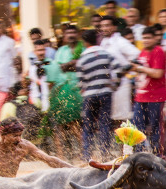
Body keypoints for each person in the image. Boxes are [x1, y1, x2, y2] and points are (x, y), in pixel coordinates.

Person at [0, 117, 74, 178]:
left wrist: (75, 170)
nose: (19, 139)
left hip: (12, 185)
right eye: (15, 136)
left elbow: (49, 159)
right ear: (3, 135)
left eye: (20, 135)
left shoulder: (24, 145)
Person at [76, 29, 121, 161]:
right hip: (106, 93)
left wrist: (85, 88)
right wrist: (115, 84)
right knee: (105, 125)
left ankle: (86, 155)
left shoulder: (82, 59)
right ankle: (105, 154)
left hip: (89, 95)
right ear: (97, 40)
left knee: (88, 126)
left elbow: (81, 81)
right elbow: (118, 68)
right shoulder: (106, 54)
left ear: (84, 42)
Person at [47, 24, 84, 160]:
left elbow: (80, 66)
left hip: (77, 91)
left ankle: (84, 154)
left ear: (78, 34)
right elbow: (59, 69)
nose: (70, 35)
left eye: (73, 33)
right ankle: (61, 156)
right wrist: (72, 64)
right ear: (64, 35)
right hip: (62, 90)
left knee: (74, 124)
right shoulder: (61, 50)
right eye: (68, 33)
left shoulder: (83, 48)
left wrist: (70, 64)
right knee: (59, 125)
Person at [132, 27, 166, 156]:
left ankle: (158, 157)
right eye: (144, 38)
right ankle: (138, 156)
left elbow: (158, 73)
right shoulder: (142, 52)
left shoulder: (159, 51)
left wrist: (140, 68)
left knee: (155, 129)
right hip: (140, 96)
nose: (146, 41)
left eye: (148, 38)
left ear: (155, 38)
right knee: (136, 128)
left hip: (155, 97)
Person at [100, 16, 140, 122]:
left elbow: (137, 56)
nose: (104, 28)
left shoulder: (120, 41)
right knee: (110, 118)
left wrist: (124, 71)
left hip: (122, 84)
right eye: (102, 26)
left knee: (122, 118)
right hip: (108, 85)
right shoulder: (103, 42)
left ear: (114, 27)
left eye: (107, 25)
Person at [28, 39, 52, 113]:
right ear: (35, 52)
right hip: (36, 101)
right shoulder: (32, 68)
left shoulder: (51, 64)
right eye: (39, 50)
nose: (41, 53)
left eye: (42, 50)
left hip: (48, 101)